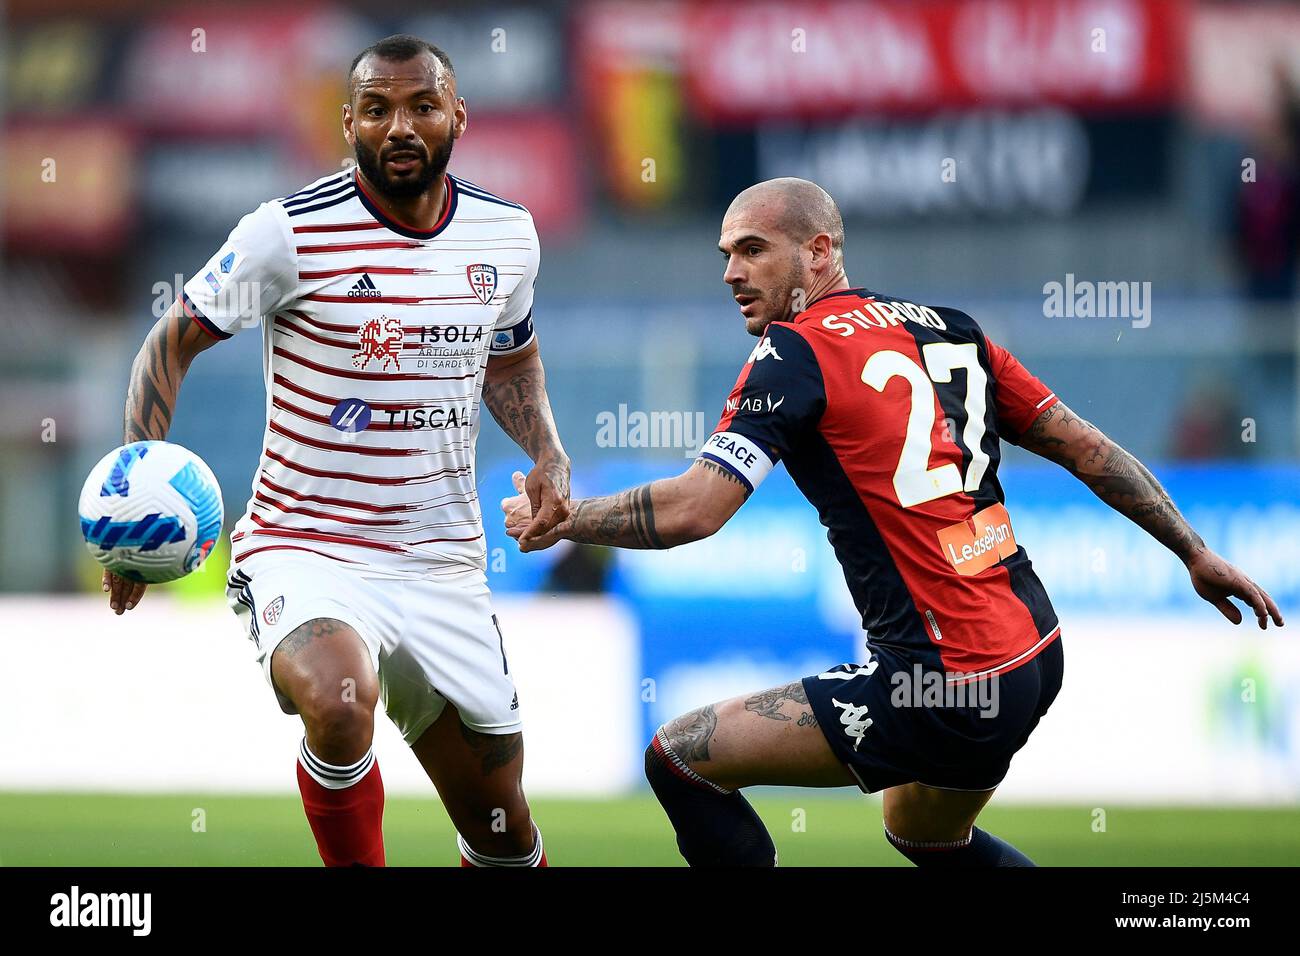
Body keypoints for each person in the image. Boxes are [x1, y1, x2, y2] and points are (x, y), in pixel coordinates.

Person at [503, 177, 1284, 867]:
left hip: (941, 680)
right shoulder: (952, 329)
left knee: (676, 757)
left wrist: (567, 516)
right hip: (1035, 653)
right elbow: (1087, 447)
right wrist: (1194, 550)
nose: (732, 273)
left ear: (819, 252)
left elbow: (695, 509)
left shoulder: (794, 352)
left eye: (752, 250)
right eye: (725, 254)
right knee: (921, 832)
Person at [104, 35, 571, 868]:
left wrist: (548, 450)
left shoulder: (507, 237)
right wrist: (135, 488)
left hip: (442, 563)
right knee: (338, 702)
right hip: (307, 546)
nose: (401, 126)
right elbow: (168, 342)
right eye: (378, 109)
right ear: (346, 120)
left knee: (503, 832)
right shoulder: (286, 235)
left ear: (457, 116)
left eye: (422, 106)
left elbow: (511, 356)